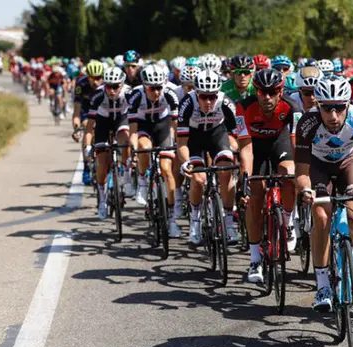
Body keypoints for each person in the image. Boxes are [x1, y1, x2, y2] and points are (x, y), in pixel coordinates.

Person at [295, 76, 353, 312]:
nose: (333, 115)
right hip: (318, 166)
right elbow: (302, 171)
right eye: (327, 108)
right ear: (318, 105)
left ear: (348, 104)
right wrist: (305, 189)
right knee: (321, 217)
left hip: (349, 162)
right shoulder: (307, 123)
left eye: (339, 108)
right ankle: (323, 285)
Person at [235, 68, 302, 282]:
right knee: (255, 199)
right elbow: (246, 150)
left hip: (280, 143)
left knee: (289, 175)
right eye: (261, 92)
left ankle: (288, 222)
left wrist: (301, 176)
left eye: (272, 92)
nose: (266, 97)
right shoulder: (243, 107)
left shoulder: (293, 107)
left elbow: (296, 146)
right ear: (255, 91)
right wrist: (245, 181)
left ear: (280, 92)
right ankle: (255, 259)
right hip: (255, 148)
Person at [178, 69, 240, 245]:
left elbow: (237, 135)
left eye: (212, 97)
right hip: (194, 139)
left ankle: (229, 224)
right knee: (198, 179)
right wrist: (186, 162)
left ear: (217, 94)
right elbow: (181, 143)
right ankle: (195, 221)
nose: (208, 101)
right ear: (196, 93)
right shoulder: (186, 103)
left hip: (217, 135)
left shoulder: (226, 103)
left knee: (226, 172)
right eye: (203, 97)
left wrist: (237, 152)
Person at [127, 64, 181, 237]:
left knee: (166, 170)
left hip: (163, 127)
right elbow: (133, 131)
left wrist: (177, 145)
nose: (156, 92)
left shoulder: (170, 94)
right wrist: (133, 151)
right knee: (144, 148)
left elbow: (175, 126)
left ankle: (172, 219)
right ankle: (142, 181)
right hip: (143, 126)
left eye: (159, 88)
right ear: (144, 86)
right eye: (152, 88)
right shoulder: (136, 96)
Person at [82, 67, 133, 220]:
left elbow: (137, 120)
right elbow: (90, 125)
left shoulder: (129, 93)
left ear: (122, 84)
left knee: (125, 140)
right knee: (103, 163)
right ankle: (102, 201)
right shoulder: (98, 95)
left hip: (121, 119)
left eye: (115, 86)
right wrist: (88, 146)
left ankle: (126, 175)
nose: (111, 90)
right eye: (108, 86)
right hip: (103, 123)